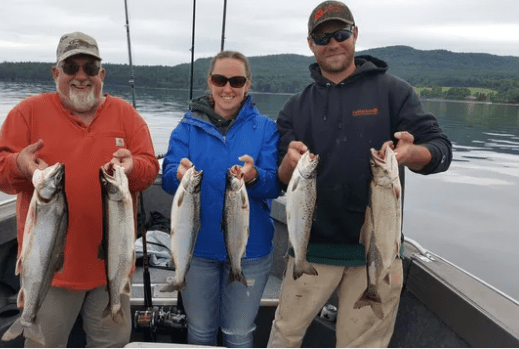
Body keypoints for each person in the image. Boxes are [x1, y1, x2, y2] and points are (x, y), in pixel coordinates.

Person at [267, 1, 453, 348]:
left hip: (378, 247)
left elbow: (441, 150)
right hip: (312, 247)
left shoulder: (394, 92)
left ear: (355, 35)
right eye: (323, 38)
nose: (333, 43)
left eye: (341, 34)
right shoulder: (295, 107)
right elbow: (279, 179)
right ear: (310, 44)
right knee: (284, 335)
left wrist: (413, 154)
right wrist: (289, 166)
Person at [0, 32, 159, 347]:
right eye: (71, 67)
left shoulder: (126, 115)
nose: (81, 76)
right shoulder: (27, 113)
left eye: (90, 68)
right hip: (49, 273)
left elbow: (148, 171)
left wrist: (133, 168)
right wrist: (18, 166)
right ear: (56, 73)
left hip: (114, 269)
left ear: (101, 75)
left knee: (112, 344)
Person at [161, 51, 280, 347]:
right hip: (197, 249)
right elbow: (166, 177)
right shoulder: (186, 127)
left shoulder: (266, 128)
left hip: (250, 251)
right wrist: (177, 173)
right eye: (220, 79)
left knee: (238, 334)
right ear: (210, 82)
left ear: (248, 85)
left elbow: (275, 184)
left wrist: (254, 177)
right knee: (199, 330)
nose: (228, 88)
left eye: (236, 81)